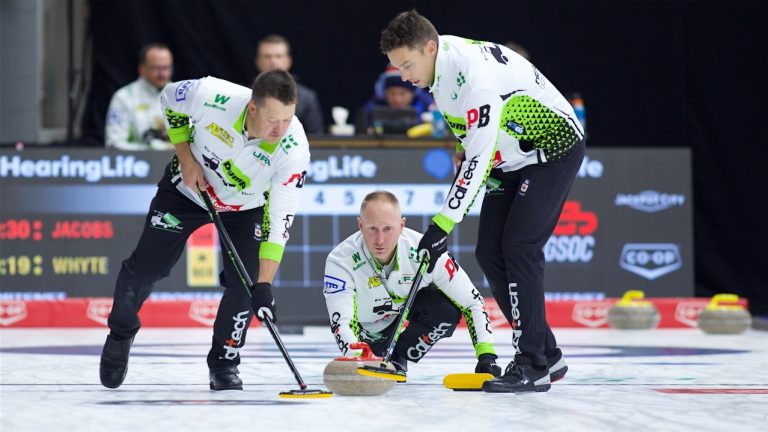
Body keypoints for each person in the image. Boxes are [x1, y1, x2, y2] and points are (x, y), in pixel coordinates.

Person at [380, 10, 583, 393]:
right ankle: (547, 352)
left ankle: (532, 363)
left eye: (407, 65)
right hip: (509, 155)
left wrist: (442, 224)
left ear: (429, 47)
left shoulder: (475, 79)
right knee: (489, 251)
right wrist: (464, 146)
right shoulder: (438, 67)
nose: (404, 77)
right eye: (397, 68)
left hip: (551, 149)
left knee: (519, 246)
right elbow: (472, 141)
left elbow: (478, 157)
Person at [99, 69, 310, 391]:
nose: (280, 129)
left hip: (245, 208)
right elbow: (169, 98)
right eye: (272, 120)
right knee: (146, 268)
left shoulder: (293, 149)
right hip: (186, 191)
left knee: (246, 283)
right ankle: (121, 332)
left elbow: (279, 222)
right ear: (252, 108)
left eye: (287, 119)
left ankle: (225, 362)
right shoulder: (212, 95)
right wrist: (185, 157)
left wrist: (264, 285)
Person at [323, 191, 501, 378]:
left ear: (401, 225)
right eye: (372, 229)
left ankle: (398, 357)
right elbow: (341, 323)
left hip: (401, 325)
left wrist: (486, 356)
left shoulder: (426, 251)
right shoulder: (340, 260)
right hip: (366, 338)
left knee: (445, 311)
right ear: (360, 225)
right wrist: (358, 357)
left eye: (388, 229)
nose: (380, 240)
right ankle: (378, 354)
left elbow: (472, 301)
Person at [105, 43, 175, 150]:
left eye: (166, 68)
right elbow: (114, 145)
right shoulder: (124, 97)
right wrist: (152, 150)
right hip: (140, 164)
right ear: (141, 69)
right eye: (156, 68)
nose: (162, 74)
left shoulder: (182, 95)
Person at [255, 34, 324, 134]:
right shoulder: (246, 94)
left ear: (288, 61)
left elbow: (316, 139)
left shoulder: (307, 98)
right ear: (258, 61)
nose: (273, 61)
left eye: (278, 56)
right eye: (267, 56)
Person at [360, 64, 433, 134]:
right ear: (384, 92)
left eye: (403, 93)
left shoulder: (428, 105)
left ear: (413, 93)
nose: (397, 99)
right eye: (392, 93)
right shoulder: (371, 108)